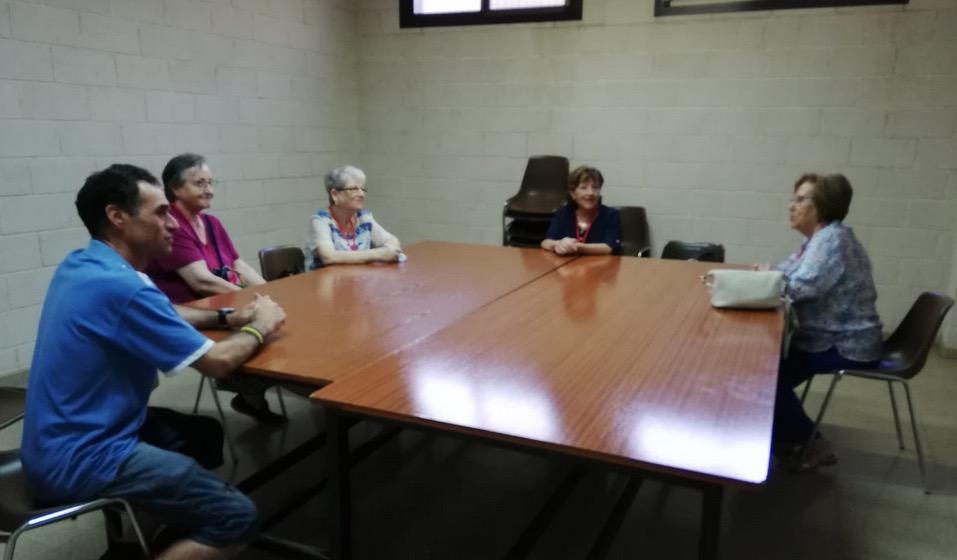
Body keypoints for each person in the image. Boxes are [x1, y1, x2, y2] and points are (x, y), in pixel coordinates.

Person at [21, 164, 287, 560]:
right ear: (117, 217)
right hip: (84, 456)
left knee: (201, 437)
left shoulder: (86, 265)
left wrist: (228, 317)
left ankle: (150, 534)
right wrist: (259, 327)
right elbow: (217, 362)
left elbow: (165, 310)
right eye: (161, 212)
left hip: (54, 441)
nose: (174, 223)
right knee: (237, 517)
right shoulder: (120, 285)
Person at [145, 153, 281, 423]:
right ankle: (250, 393)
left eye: (210, 182)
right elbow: (202, 281)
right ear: (175, 189)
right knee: (263, 331)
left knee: (275, 323)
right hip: (195, 315)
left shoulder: (212, 223)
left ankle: (253, 392)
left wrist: (271, 293)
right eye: (199, 183)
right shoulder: (172, 225)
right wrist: (252, 302)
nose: (209, 190)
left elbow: (238, 264)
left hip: (225, 304)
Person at [772, 173, 882, 472]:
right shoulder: (817, 240)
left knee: (763, 376)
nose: (791, 206)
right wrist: (765, 276)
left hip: (845, 344)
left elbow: (800, 288)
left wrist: (761, 284)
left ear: (822, 206)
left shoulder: (832, 240)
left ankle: (811, 444)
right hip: (825, 337)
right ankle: (781, 433)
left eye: (800, 200)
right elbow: (785, 273)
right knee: (761, 373)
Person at [306, 165, 402, 268]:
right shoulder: (321, 221)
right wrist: (379, 254)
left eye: (363, 189)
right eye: (354, 189)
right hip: (325, 277)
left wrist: (390, 249)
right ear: (334, 194)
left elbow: (392, 241)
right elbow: (329, 257)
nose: (362, 194)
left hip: (356, 275)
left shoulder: (364, 218)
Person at [540, 165, 621, 256]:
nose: (590, 193)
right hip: (567, 263)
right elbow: (545, 242)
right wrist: (558, 244)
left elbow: (609, 247)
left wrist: (576, 247)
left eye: (595, 187)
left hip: (599, 263)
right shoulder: (564, 212)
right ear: (573, 193)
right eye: (584, 187)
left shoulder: (610, 214)